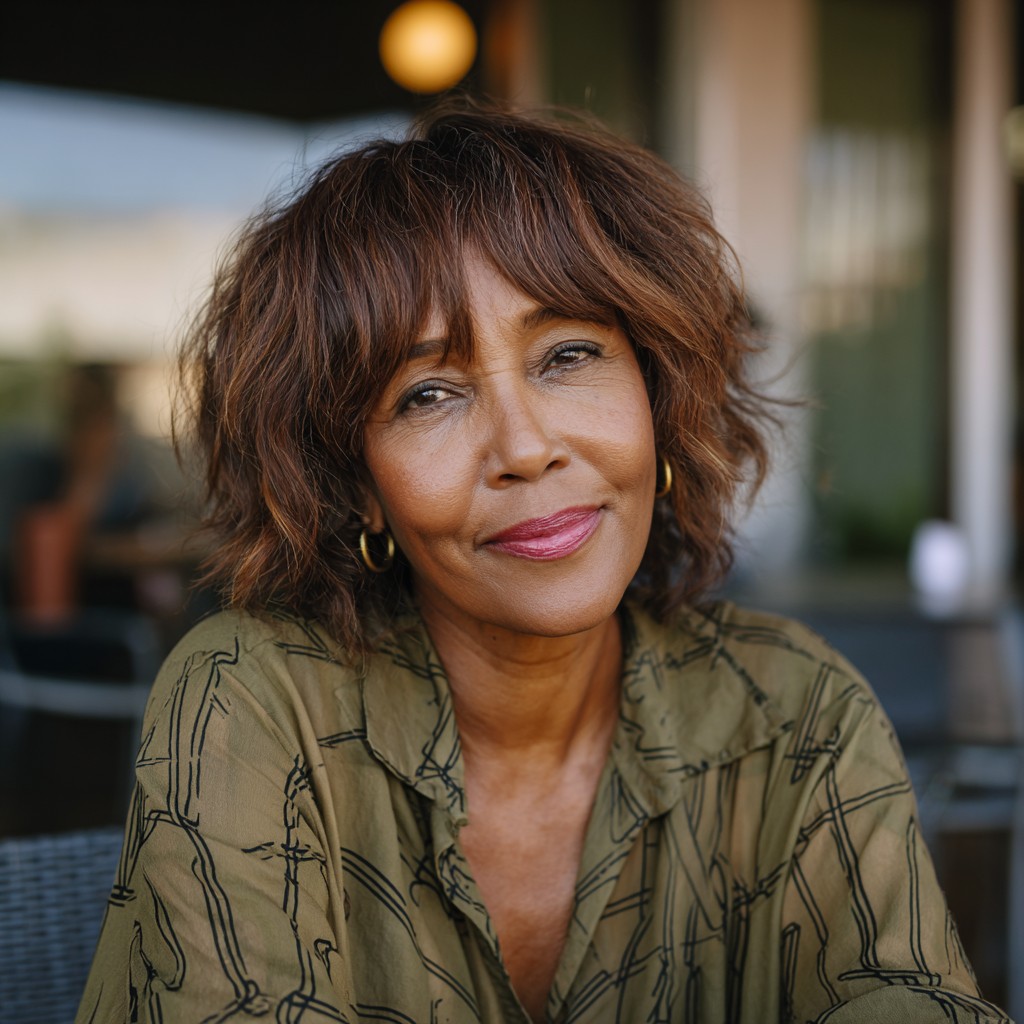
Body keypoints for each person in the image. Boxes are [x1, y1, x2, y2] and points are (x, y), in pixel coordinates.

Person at [77, 101, 1010, 1024]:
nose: (524, 447)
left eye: (567, 354)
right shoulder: (253, 704)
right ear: (357, 483)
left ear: (657, 397)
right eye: (428, 394)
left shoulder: (792, 716)